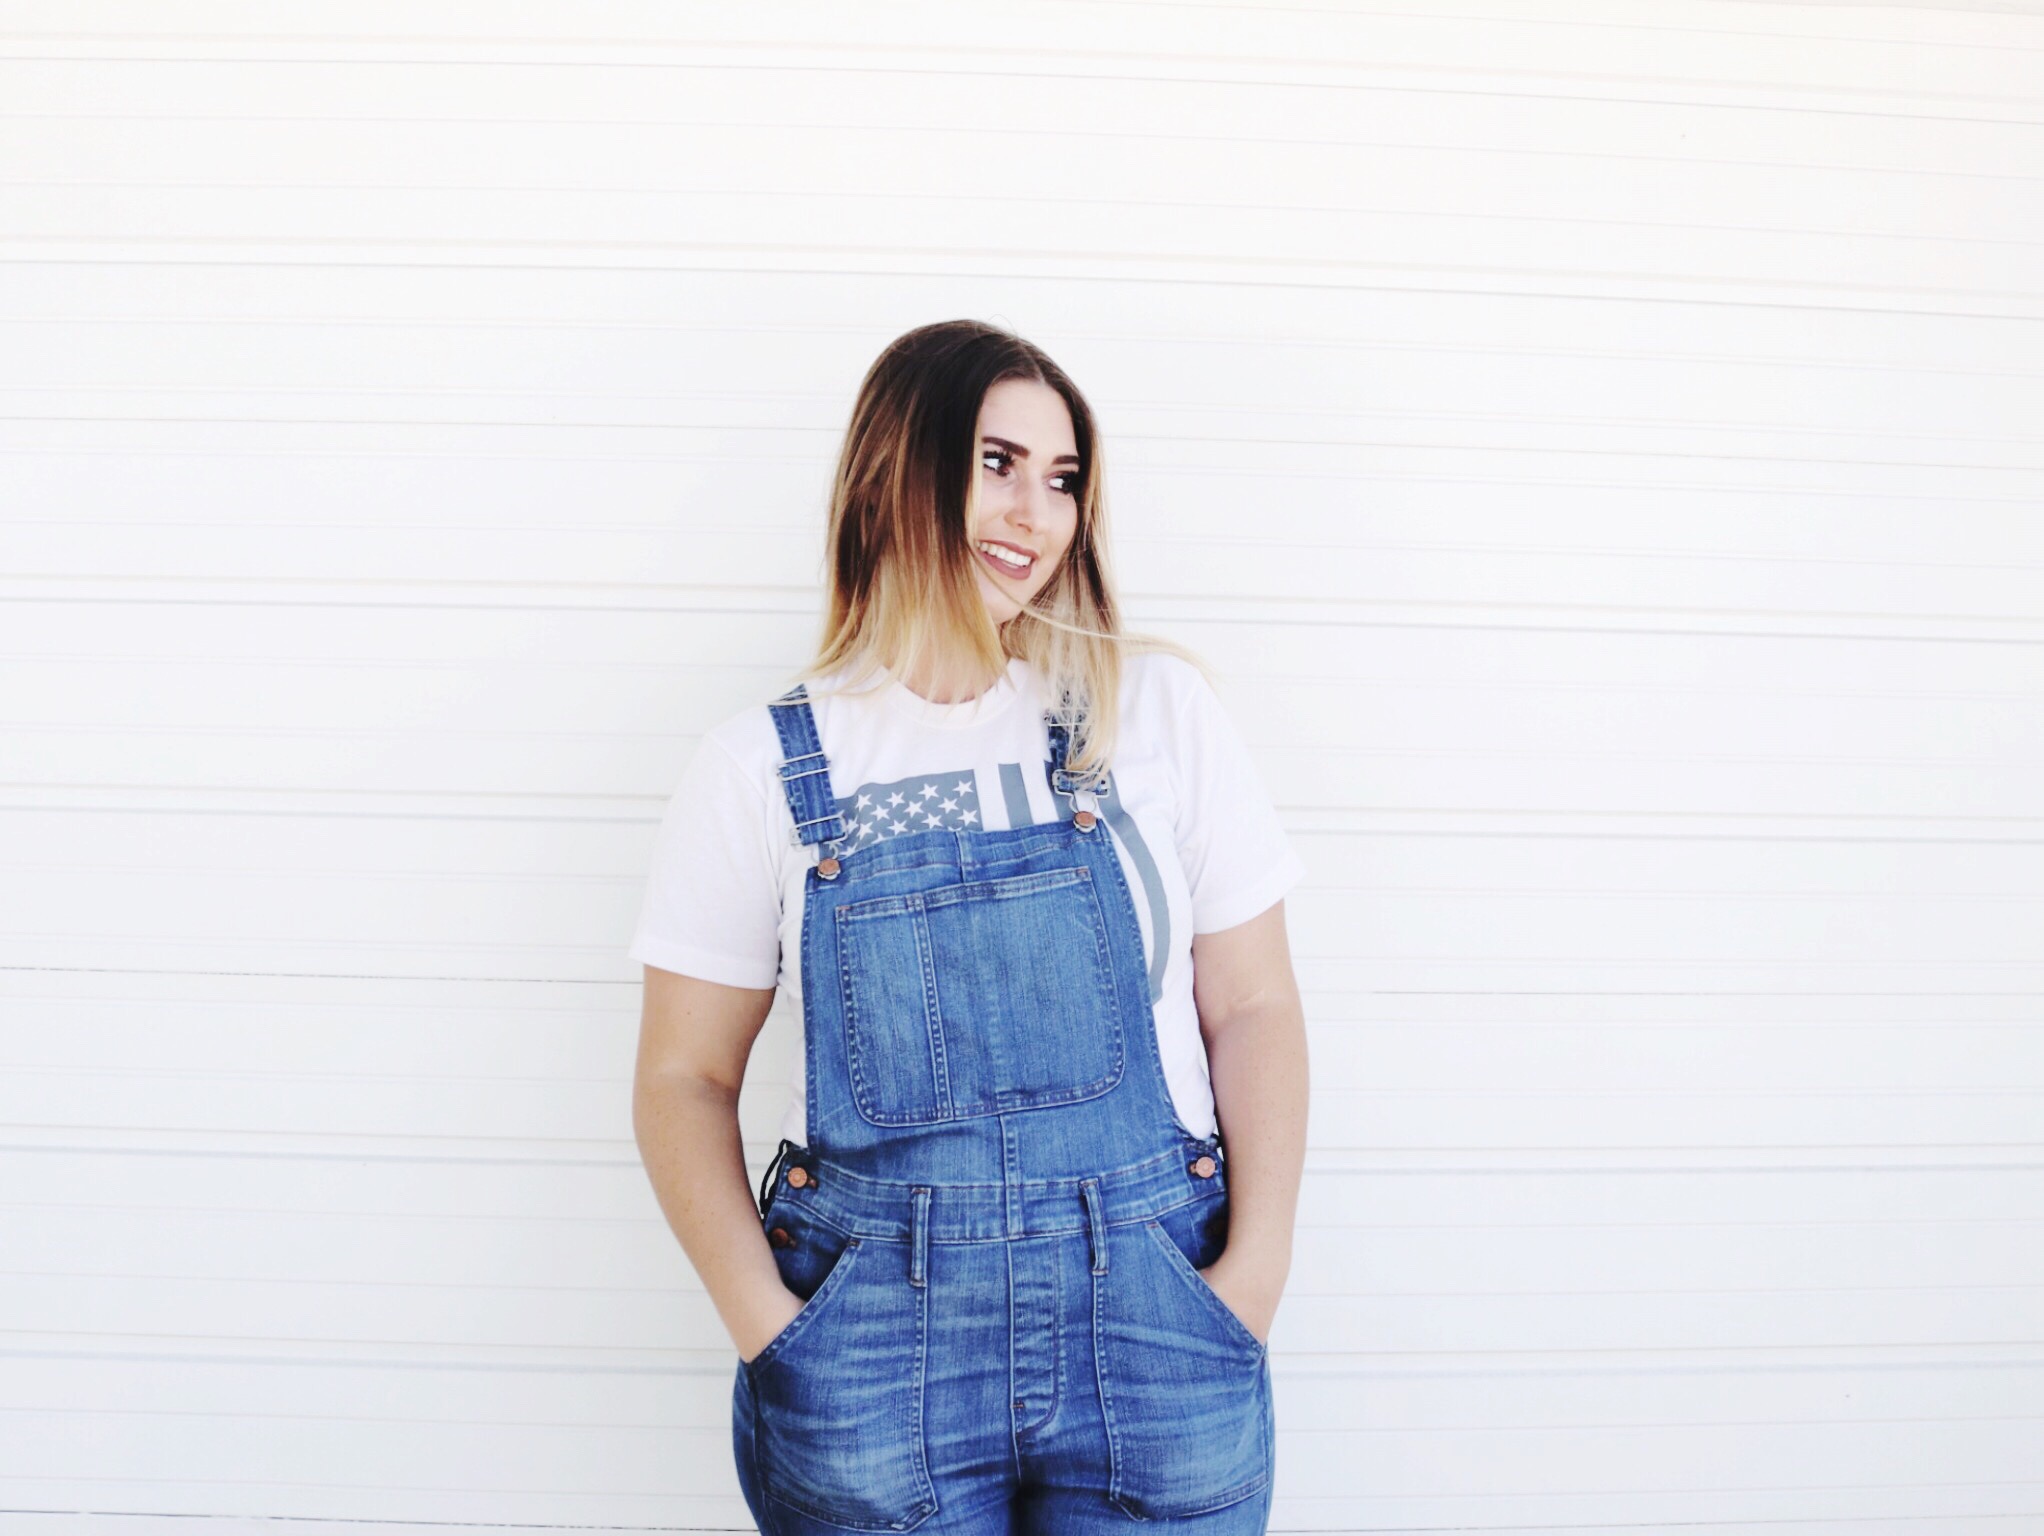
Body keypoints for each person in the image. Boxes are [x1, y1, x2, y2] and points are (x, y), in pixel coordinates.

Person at [629, 319, 1310, 1533]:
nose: (1034, 514)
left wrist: (1250, 1279)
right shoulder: (761, 769)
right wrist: (772, 1333)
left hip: (1157, 1323)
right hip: (872, 1353)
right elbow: (683, 1076)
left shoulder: (1152, 713)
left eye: (1062, 480)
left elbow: (1253, 1005)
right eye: (997, 463)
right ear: (896, 467)